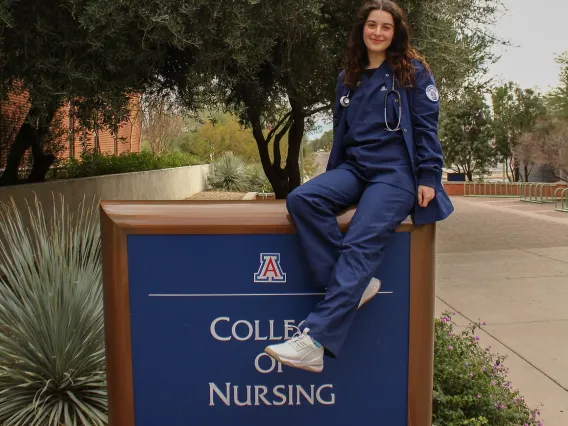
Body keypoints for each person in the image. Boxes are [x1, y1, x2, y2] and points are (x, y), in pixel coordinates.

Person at [264, 0, 454, 373]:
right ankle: (356, 285)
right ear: (361, 29)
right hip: (354, 168)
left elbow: (427, 127)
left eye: (386, 27)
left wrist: (429, 176)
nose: (378, 33)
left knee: (359, 240)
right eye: (372, 25)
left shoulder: (412, 72)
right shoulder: (348, 77)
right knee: (303, 200)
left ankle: (314, 340)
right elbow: (341, 133)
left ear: (396, 32)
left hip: (395, 172)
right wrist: (333, 176)